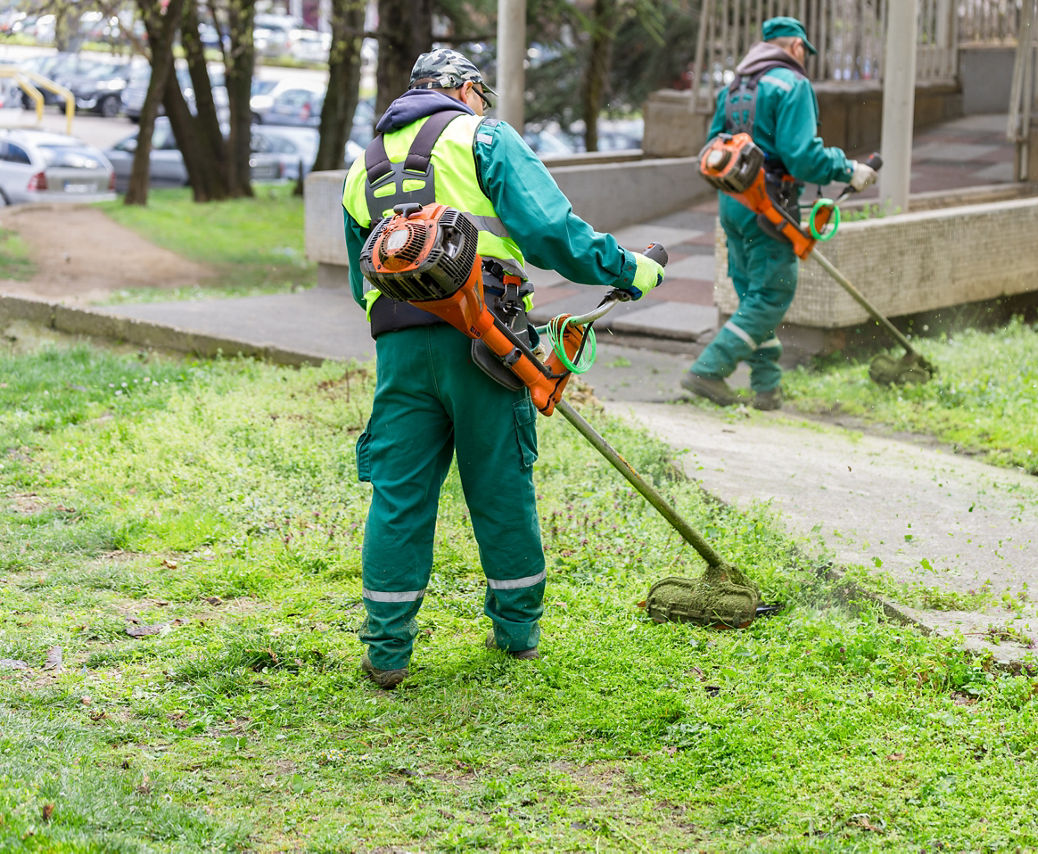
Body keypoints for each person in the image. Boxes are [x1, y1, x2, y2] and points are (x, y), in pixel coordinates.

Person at [340, 48, 665, 687]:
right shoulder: (480, 135)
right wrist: (629, 269)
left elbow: (363, 282)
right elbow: (551, 230)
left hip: (400, 352)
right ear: (465, 91)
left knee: (399, 494)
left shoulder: (361, 168)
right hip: (485, 343)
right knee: (499, 483)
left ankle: (386, 652)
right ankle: (517, 634)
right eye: (481, 95)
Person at [682, 16, 877, 411]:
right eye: (805, 51)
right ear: (796, 47)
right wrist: (848, 170)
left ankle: (767, 387)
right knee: (771, 295)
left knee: (752, 296)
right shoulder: (793, 84)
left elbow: (711, 146)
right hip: (769, 205)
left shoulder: (734, 87)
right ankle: (708, 371)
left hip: (732, 204)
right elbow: (802, 157)